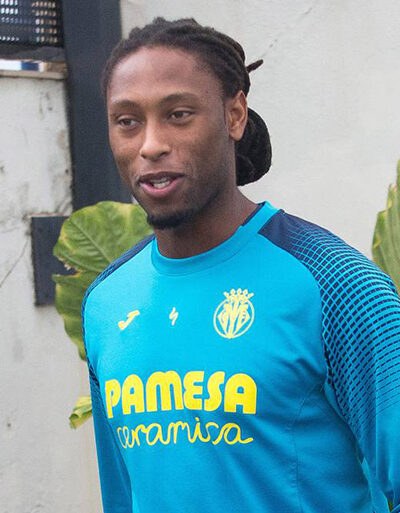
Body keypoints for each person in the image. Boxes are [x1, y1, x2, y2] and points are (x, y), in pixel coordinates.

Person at [82, 17, 400, 513]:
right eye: (127, 121)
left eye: (179, 114)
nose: (150, 144)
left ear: (234, 116)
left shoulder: (337, 286)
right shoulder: (106, 302)